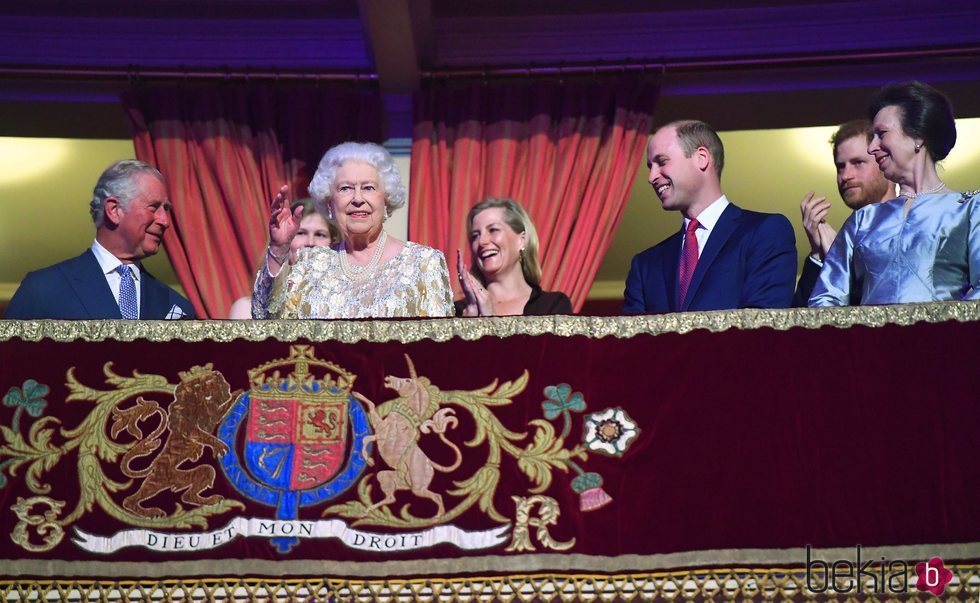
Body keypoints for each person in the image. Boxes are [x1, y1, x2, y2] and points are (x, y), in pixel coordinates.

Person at [810, 81, 980, 306]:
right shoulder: (863, 220)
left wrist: (945, 330)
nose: (872, 147)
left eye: (881, 134)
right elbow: (826, 299)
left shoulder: (968, 209)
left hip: (943, 339)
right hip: (869, 341)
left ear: (918, 137)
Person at [252, 142, 453, 318]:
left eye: (368, 188)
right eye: (345, 188)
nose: (357, 199)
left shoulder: (424, 263)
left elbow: (441, 347)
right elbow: (265, 319)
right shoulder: (308, 265)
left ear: (386, 200)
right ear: (329, 203)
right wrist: (279, 249)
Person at [623, 120, 797, 313]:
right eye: (650, 166)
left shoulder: (765, 233)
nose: (651, 177)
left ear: (702, 158)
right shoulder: (645, 266)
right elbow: (634, 340)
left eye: (662, 162)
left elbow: (763, 327)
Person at [4, 160, 195, 320]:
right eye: (154, 207)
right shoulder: (43, 289)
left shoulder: (177, 307)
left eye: (166, 209)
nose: (165, 221)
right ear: (114, 210)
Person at [792, 119, 896, 306]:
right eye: (841, 166)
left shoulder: (913, 224)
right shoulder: (847, 237)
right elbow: (801, 325)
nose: (846, 175)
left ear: (883, 161)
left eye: (858, 163)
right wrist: (819, 255)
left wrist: (839, 261)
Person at [455, 197, 572, 316]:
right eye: (475, 236)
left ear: (521, 240)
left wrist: (490, 319)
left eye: (493, 230)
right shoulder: (457, 312)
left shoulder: (552, 306)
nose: (481, 242)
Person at [227, 198, 336, 319]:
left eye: (320, 234)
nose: (310, 242)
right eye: (300, 233)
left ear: (333, 242)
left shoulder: (343, 303)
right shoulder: (246, 309)